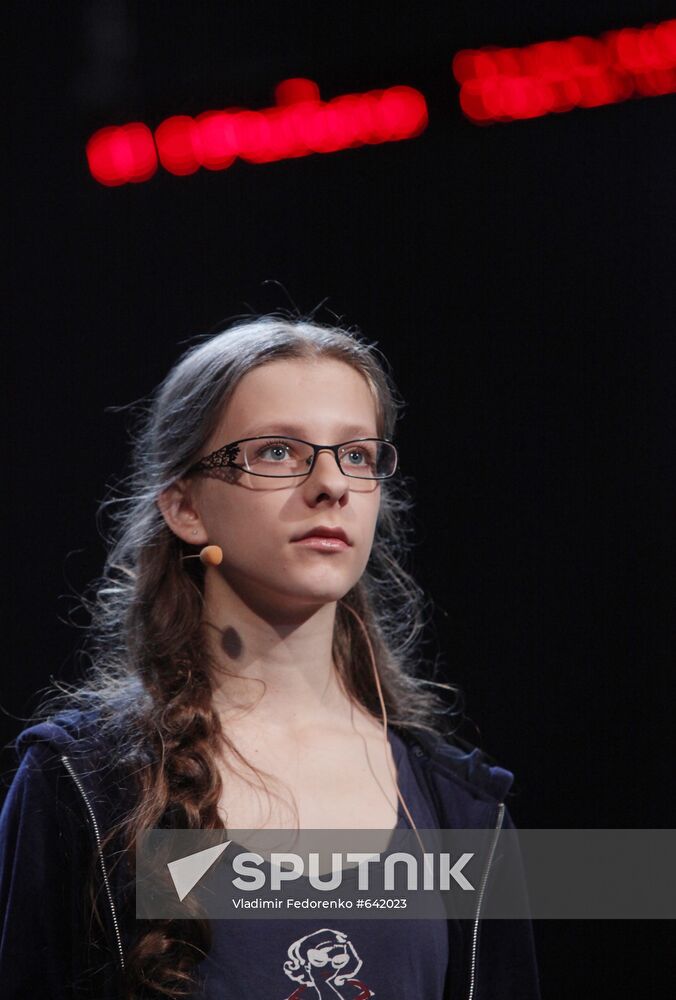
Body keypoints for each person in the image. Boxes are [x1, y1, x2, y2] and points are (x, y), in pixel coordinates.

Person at [0, 314, 541, 999]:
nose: (331, 486)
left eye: (358, 454)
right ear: (186, 507)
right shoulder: (83, 785)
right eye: (279, 452)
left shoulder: (464, 810)